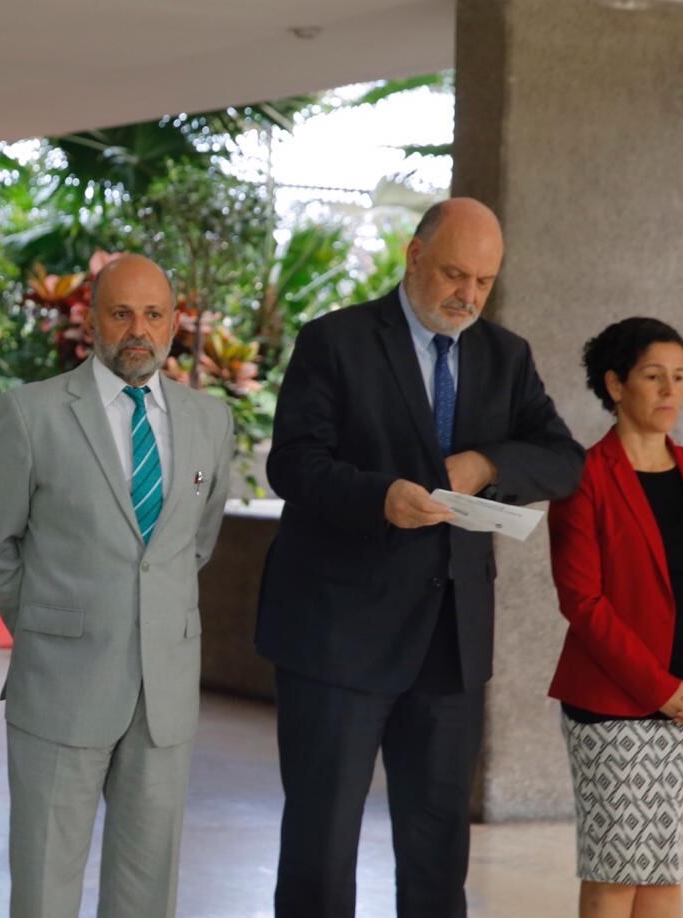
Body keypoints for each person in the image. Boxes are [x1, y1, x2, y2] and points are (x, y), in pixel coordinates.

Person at [255, 197, 585, 917]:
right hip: (337, 637)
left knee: (438, 857)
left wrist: (487, 463)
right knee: (321, 850)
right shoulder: (334, 341)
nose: (468, 295)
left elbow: (565, 460)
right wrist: (380, 497)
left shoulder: (505, 356)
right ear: (413, 255)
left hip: (449, 644)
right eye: (454, 274)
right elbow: (293, 464)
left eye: (484, 281)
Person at [0, 253, 234, 918]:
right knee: (46, 889)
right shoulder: (31, 413)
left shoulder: (210, 420)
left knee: (147, 892)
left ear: (173, 322)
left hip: (164, 693)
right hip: (60, 685)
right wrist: (48, 625)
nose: (138, 330)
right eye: (121, 313)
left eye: (153, 314)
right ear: (92, 321)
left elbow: (193, 544)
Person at [547, 317, 683, 918]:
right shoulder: (583, 478)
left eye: (679, 378)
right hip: (614, 706)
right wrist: (662, 691)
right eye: (654, 376)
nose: (670, 391)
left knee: (666, 875)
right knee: (615, 875)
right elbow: (582, 601)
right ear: (615, 384)